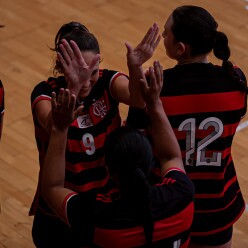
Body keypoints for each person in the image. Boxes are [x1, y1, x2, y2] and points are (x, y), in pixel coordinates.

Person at [30, 21, 160, 247]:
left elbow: (138, 100)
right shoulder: (44, 93)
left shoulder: (108, 81)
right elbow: (54, 125)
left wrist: (136, 65)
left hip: (104, 198)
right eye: (80, 74)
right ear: (61, 67)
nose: (88, 81)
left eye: (92, 72)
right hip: (60, 203)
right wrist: (73, 86)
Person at [126, 5, 247, 248]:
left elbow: (135, 134)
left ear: (180, 49)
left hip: (170, 201)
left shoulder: (156, 88)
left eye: (167, 34)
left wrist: (136, 69)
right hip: (218, 201)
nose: (162, 38)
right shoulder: (235, 80)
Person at [41, 60, 195, 247]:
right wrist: (154, 103)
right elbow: (171, 157)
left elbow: (52, 189)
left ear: (110, 171)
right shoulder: (180, 194)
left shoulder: (96, 216)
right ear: (149, 161)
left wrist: (59, 128)